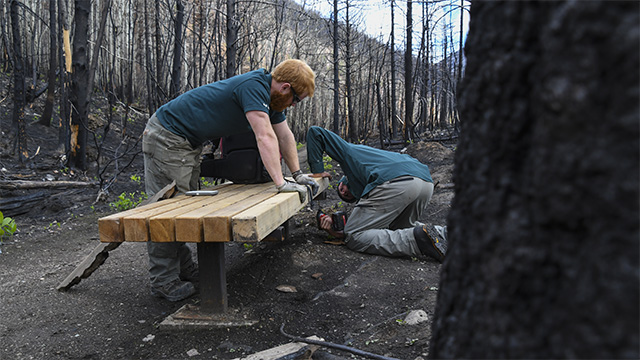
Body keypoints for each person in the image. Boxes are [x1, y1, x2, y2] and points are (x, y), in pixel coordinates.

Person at [142, 59, 318, 301]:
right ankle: (163, 280)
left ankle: (183, 269)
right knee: (169, 210)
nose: (295, 105)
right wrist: (281, 184)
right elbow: (264, 136)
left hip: (185, 143)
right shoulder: (254, 87)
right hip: (168, 138)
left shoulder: (273, 99)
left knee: (184, 205)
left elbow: (284, 136)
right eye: (296, 99)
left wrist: (298, 175)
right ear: (285, 87)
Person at [306, 126, 447, 262]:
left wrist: (318, 172)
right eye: (347, 197)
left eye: (341, 188)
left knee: (354, 235)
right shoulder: (374, 158)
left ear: (345, 178)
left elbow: (316, 132)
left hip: (398, 182)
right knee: (399, 227)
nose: (344, 192)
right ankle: (446, 235)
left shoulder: (348, 152)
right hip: (425, 182)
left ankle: (419, 241)